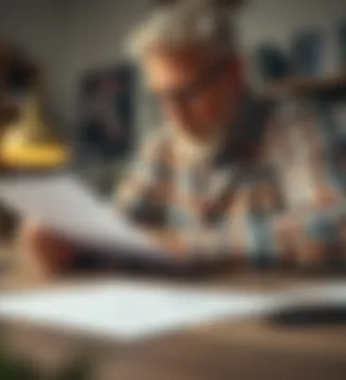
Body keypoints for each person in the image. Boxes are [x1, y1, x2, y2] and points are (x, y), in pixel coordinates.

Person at [19, 0, 346, 276]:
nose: (172, 114)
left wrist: (188, 245)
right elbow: (118, 233)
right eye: (159, 96)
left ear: (235, 73)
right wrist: (68, 243)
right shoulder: (162, 145)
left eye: (185, 93)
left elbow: (334, 227)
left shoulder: (297, 126)